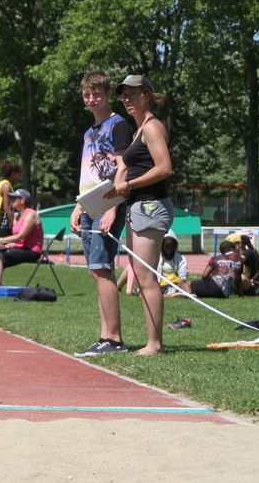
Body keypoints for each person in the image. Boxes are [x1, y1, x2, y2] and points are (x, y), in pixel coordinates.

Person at [103, 74, 173, 356]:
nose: (126, 99)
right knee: (141, 273)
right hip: (138, 206)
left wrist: (128, 185)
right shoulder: (138, 130)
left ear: (147, 95)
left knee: (145, 275)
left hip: (149, 205)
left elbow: (164, 167)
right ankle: (152, 341)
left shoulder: (152, 127)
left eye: (132, 94)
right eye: (123, 95)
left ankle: (155, 343)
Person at [70, 71, 134, 357]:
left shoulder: (118, 125)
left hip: (108, 204)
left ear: (108, 95)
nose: (92, 99)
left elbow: (124, 167)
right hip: (89, 204)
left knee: (102, 267)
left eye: (97, 94)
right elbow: (88, 174)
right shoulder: (88, 132)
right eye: (87, 95)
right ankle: (104, 335)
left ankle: (114, 339)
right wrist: (78, 206)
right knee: (97, 272)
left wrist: (115, 206)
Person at [0, 189, 43, 286]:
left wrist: (1, 240)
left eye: (14, 198)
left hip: (32, 251)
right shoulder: (17, 217)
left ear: (22, 200)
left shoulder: (31, 214)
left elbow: (21, 236)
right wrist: (10, 244)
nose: (11, 200)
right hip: (22, 248)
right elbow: (20, 240)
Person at [175, 239, 241, 298]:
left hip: (215, 287)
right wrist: (240, 294)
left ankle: (191, 295)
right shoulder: (240, 258)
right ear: (231, 248)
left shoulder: (216, 258)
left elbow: (204, 275)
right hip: (227, 292)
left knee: (185, 284)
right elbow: (238, 278)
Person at [0, 160, 22, 239]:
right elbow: (6, 208)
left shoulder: (2, 183)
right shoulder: (6, 186)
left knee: (4, 245)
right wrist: (14, 223)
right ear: (13, 174)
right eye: (18, 175)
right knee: (4, 246)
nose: (19, 177)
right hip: (2, 220)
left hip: (1, 220)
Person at [156, 232, 188, 296]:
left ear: (175, 246)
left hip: (175, 283)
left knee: (187, 287)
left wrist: (182, 280)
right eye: (166, 247)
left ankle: (172, 293)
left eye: (171, 247)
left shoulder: (180, 257)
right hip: (162, 284)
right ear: (162, 245)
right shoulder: (157, 257)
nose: (168, 250)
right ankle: (170, 294)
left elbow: (183, 270)